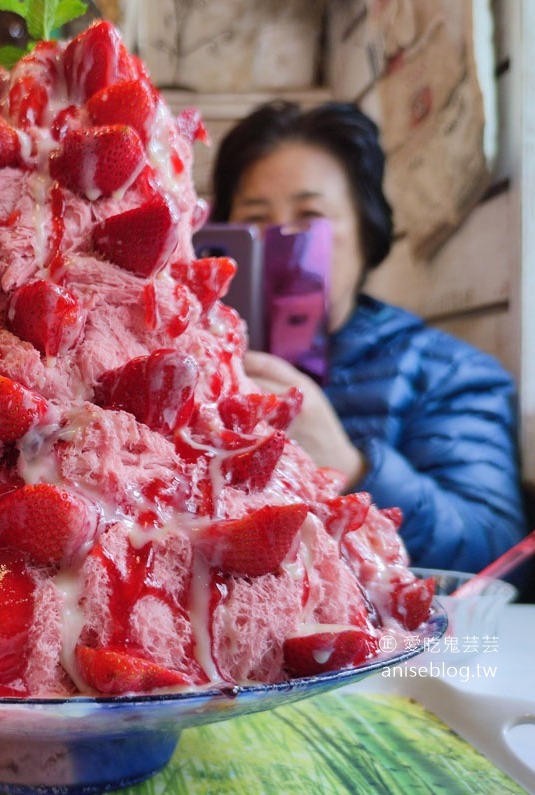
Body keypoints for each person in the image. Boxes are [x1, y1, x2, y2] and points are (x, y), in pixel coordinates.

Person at [209, 99, 526, 573]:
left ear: (366, 233)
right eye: (255, 219)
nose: (280, 238)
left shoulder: (451, 374)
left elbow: (499, 555)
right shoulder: (192, 361)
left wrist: (348, 465)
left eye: (309, 215)